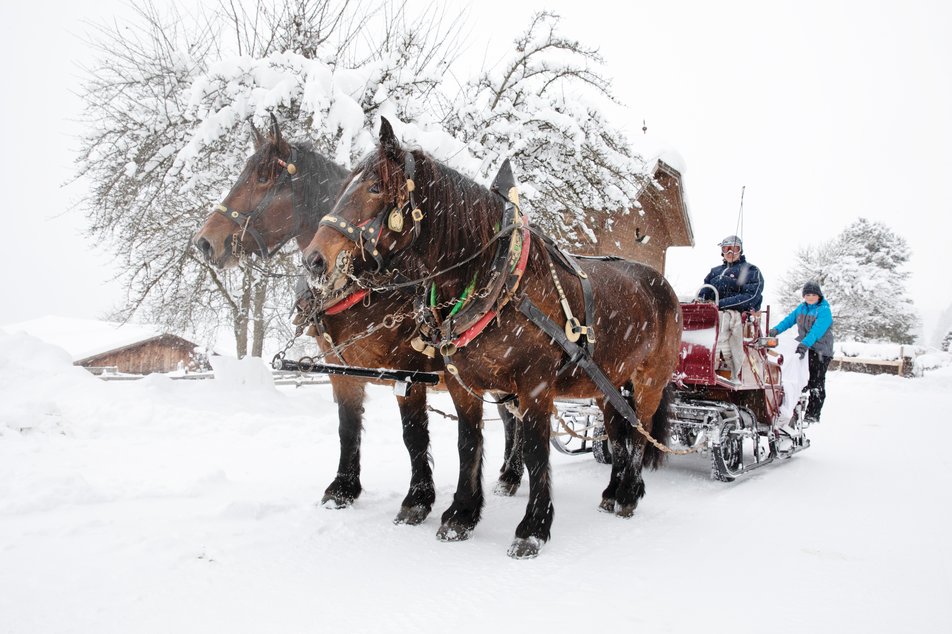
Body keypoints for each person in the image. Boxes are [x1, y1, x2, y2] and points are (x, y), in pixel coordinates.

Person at [698, 235, 765, 380]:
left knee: (725, 318)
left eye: (734, 249)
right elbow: (704, 291)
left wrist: (720, 305)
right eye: (726, 249)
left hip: (735, 313)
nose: (730, 253)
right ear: (721, 251)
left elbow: (751, 297)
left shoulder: (750, 270)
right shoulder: (715, 271)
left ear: (740, 251)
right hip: (711, 311)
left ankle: (725, 361)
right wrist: (701, 302)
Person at [769, 281, 834, 423]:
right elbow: (788, 321)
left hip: (821, 350)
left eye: (813, 294)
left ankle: (813, 413)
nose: (810, 297)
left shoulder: (824, 310)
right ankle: (793, 407)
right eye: (807, 294)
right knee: (799, 378)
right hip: (804, 347)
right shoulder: (801, 308)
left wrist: (804, 344)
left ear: (819, 296)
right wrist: (774, 331)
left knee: (815, 382)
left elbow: (816, 332)